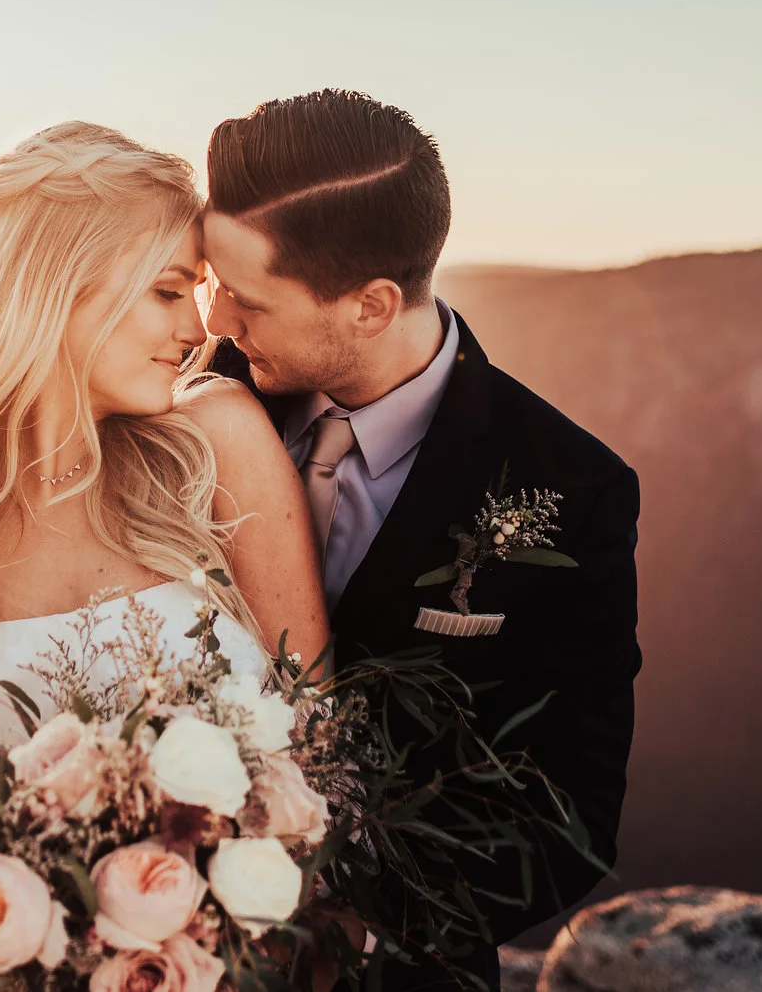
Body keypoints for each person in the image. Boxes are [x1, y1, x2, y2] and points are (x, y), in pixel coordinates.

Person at [202, 90, 642, 992]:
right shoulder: (185, 405)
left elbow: (570, 814)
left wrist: (349, 930)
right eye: (208, 283)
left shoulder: (571, 486)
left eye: (246, 298)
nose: (213, 322)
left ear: (370, 305)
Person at [0, 120, 329, 781]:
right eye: (168, 291)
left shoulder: (214, 444)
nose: (196, 329)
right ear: (55, 284)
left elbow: (322, 755)